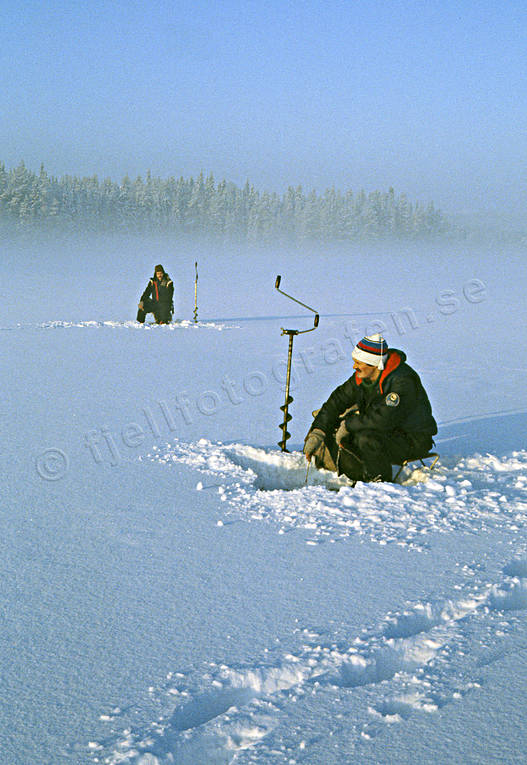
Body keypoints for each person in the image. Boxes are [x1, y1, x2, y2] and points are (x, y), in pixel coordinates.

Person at [303, 334, 437, 483]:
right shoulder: (363, 377)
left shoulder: (402, 380)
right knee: (343, 429)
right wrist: (318, 432)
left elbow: (383, 419)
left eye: (359, 363)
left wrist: (348, 424)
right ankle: (356, 474)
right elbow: (336, 401)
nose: (354, 367)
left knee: (365, 438)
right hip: (387, 433)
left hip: (412, 439)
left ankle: (378, 483)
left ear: (374, 364)